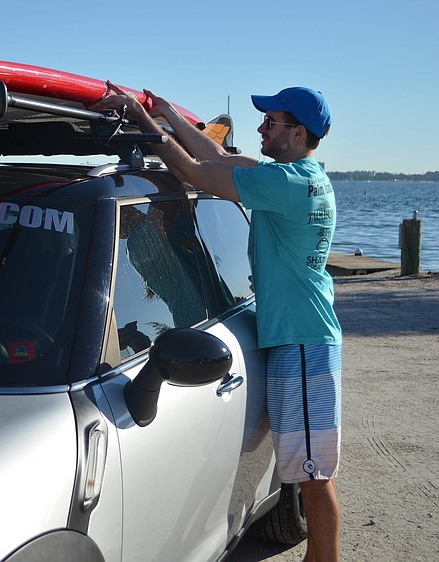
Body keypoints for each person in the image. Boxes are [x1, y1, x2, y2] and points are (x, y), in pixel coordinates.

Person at [92, 85, 342, 562]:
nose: (261, 127)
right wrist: (165, 114)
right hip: (302, 336)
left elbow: (192, 171)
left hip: (304, 343)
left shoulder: (286, 185)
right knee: (308, 470)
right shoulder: (298, 176)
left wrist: (138, 118)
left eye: (270, 121)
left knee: (312, 475)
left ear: (298, 132)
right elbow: (211, 155)